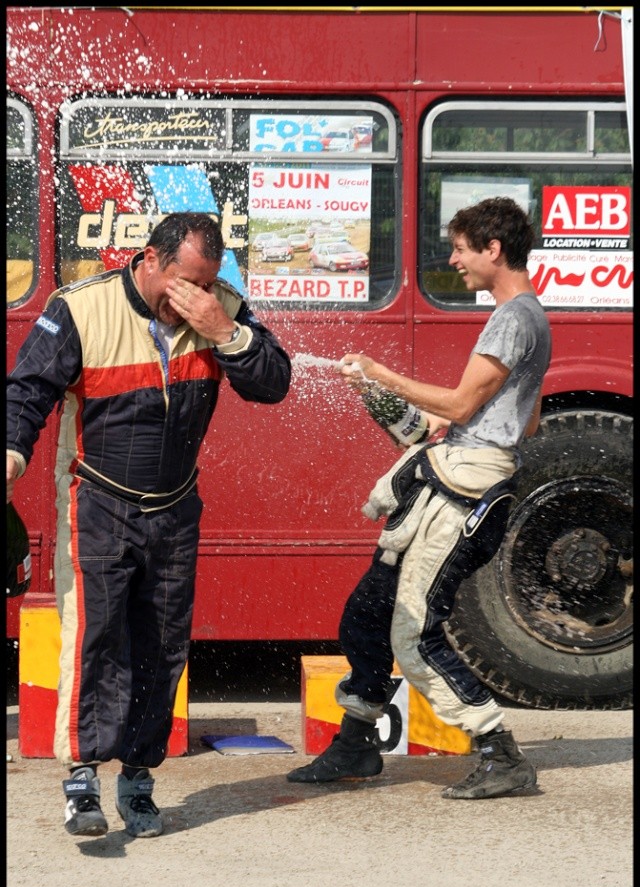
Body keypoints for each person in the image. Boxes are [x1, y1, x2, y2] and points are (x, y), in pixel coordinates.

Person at [6, 212, 291, 837]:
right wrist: (12, 451)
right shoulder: (80, 307)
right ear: (150, 259)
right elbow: (25, 392)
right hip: (96, 501)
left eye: (207, 283)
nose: (192, 297)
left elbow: (274, 384)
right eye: (184, 282)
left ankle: (138, 780)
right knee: (96, 637)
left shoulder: (220, 309)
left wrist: (225, 332)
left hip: (175, 507)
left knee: (162, 647)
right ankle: (81, 781)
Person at [287, 196, 551, 799]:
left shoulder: (514, 318)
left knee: (413, 629)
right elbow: (525, 422)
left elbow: (460, 404)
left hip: (466, 495)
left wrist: (380, 376)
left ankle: (499, 751)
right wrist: (453, 426)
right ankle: (356, 746)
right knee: (371, 610)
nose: (454, 259)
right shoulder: (530, 317)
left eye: (461, 248)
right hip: (454, 479)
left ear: (493, 249)